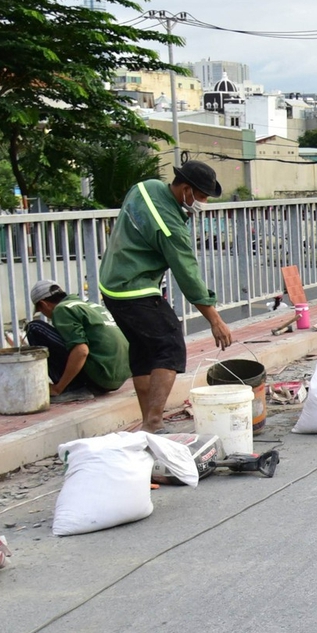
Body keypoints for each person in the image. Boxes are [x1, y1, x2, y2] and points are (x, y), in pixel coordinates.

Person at [99, 159, 234, 432]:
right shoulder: (170, 227)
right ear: (185, 189)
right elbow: (188, 275)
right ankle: (154, 422)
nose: (203, 203)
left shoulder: (145, 188)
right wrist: (215, 320)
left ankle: (147, 423)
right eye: (202, 196)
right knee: (170, 347)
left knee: (144, 353)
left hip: (111, 285)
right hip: (134, 289)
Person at [26, 279, 131, 398]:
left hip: (100, 377)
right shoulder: (91, 306)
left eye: (41, 311)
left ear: (44, 304)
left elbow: (81, 351)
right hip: (119, 376)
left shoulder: (62, 309)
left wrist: (58, 388)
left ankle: (70, 388)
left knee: (34, 328)